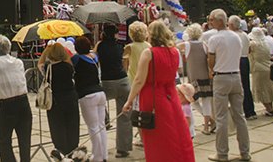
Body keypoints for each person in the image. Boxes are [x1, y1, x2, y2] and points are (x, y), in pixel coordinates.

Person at [122, 20, 194, 162]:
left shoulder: (149, 53)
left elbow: (139, 80)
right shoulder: (174, 51)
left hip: (152, 95)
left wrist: (129, 101)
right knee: (176, 132)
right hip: (171, 94)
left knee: (156, 136)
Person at [207, 8, 251, 162]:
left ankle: (222, 153)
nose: (210, 22)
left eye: (212, 19)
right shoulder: (236, 37)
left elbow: (211, 60)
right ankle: (245, 152)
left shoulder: (215, 38)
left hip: (222, 76)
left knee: (221, 117)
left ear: (219, 20)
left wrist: (212, 70)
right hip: (235, 75)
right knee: (240, 116)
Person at [95, 25, 132, 158]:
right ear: (115, 34)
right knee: (124, 116)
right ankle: (123, 148)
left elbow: (94, 59)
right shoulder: (119, 46)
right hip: (122, 80)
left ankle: (105, 121)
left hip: (107, 82)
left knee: (98, 103)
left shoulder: (100, 46)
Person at [38, 42, 80, 158]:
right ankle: (73, 149)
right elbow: (69, 62)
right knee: (72, 124)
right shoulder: (69, 67)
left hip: (56, 101)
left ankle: (61, 150)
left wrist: (46, 51)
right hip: (71, 99)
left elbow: (40, 63)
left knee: (57, 126)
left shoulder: (48, 68)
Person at [72, 36, 108, 162]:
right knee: (101, 125)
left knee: (93, 127)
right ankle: (104, 155)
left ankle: (97, 157)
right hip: (100, 92)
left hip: (87, 95)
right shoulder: (94, 57)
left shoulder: (76, 58)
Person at [179, 23, 215, 134]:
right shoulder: (204, 45)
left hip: (193, 77)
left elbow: (174, 47)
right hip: (205, 76)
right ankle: (208, 124)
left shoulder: (186, 44)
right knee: (206, 101)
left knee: (193, 101)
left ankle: (209, 122)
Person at [247, 27, 273, 116]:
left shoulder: (253, 44)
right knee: (268, 89)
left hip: (258, 68)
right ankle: (270, 107)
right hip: (267, 66)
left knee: (260, 89)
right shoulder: (266, 42)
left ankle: (269, 109)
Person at [229, 15, 256, 120]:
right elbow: (249, 49)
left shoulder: (234, 35)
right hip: (245, 59)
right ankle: (250, 110)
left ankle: (243, 110)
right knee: (246, 86)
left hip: (238, 60)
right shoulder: (244, 34)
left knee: (239, 88)